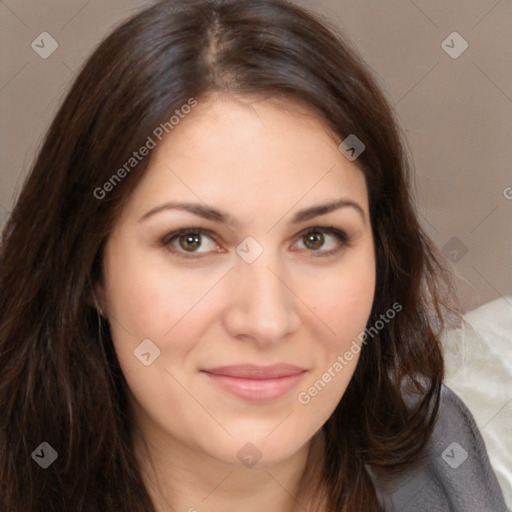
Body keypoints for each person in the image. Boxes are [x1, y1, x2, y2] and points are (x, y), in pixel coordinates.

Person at [0, 1, 507, 511]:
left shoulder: (436, 452)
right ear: (91, 272)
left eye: (317, 238)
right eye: (191, 240)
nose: (267, 321)